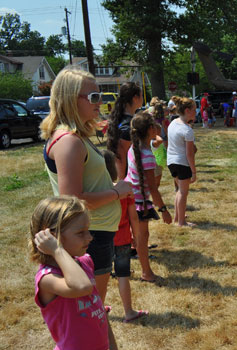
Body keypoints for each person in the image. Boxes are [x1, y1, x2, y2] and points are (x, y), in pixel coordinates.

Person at [41, 66, 132, 305]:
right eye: (93, 97)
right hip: (92, 234)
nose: (99, 101)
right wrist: (116, 192)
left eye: (99, 95)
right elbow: (72, 200)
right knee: (91, 309)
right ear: (71, 100)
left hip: (97, 231)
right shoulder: (69, 141)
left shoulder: (76, 137)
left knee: (93, 306)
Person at [30, 196, 119, 350]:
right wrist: (57, 250)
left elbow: (97, 305)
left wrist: (111, 342)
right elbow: (82, 287)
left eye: (88, 231)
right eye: (81, 233)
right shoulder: (48, 279)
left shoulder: (83, 262)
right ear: (51, 237)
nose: (89, 237)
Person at [126, 112, 172, 282]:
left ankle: (143, 269)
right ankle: (146, 272)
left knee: (138, 237)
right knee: (142, 239)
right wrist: (164, 210)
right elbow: (153, 189)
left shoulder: (134, 149)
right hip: (140, 204)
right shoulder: (146, 156)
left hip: (132, 200)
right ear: (151, 129)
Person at [103, 150, 148, 323]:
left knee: (101, 274)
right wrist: (136, 237)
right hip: (122, 239)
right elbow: (133, 217)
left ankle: (98, 308)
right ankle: (128, 311)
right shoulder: (125, 190)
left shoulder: (97, 193)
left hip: (102, 239)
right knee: (123, 275)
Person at [167, 97, 197, 227]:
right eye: (194, 110)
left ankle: (177, 218)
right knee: (183, 193)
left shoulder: (173, 123)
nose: (196, 112)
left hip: (171, 161)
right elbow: (189, 154)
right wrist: (194, 172)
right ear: (187, 110)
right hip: (182, 163)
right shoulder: (187, 130)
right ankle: (181, 222)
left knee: (179, 190)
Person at [106, 82, 144, 179]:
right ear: (135, 98)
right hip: (130, 179)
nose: (143, 98)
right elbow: (121, 158)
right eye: (141, 95)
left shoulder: (123, 119)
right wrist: (122, 182)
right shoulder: (126, 126)